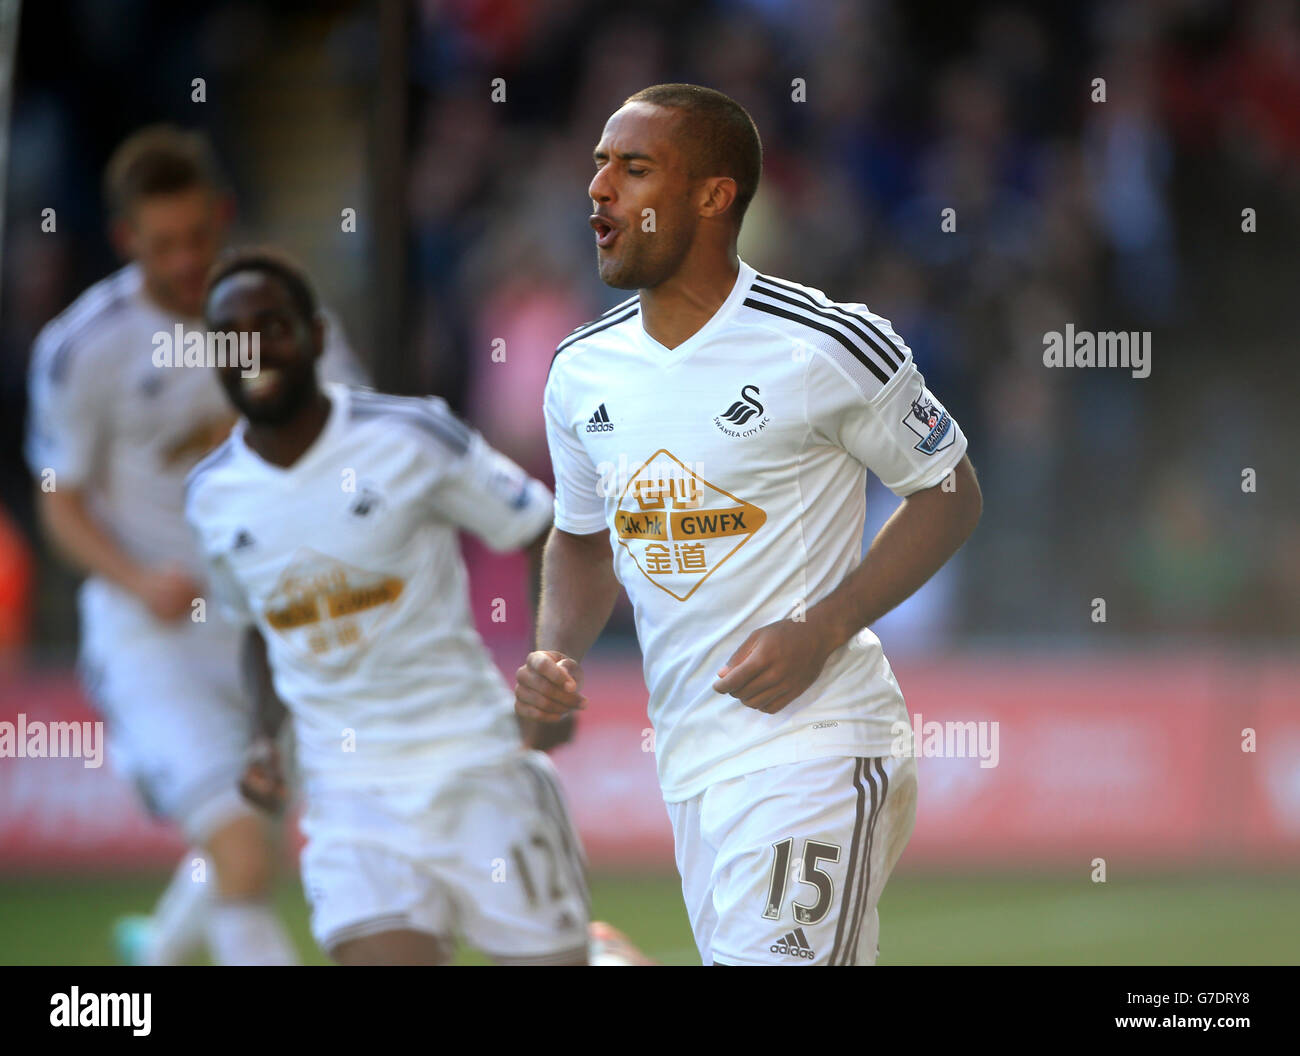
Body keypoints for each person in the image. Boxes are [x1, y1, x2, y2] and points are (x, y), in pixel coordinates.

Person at [516, 84, 983, 966]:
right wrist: (556, 651)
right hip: (694, 760)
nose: (600, 187)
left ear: (713, 195)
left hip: (819, 740)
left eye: (634, 166)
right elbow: (582, 538)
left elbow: (949, 491)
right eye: (599, 165)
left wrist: (825, 625)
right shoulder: (580, 370)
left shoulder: (825, 343)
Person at [187, 247, 600, 965]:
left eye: (271, 326)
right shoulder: (213, 494)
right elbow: (258, 625)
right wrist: (262, 738)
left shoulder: (410, 436)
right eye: (232, 334)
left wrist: (550, 669)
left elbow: (548, 530)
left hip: (477, 769)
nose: (252, 349)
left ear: (315, 337)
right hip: (350, 804)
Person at [25, 126, 363, 965]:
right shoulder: (83, 347)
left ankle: (157, 956)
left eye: (198, 238)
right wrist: (138, 580)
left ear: (224, 215)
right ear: (125, 240)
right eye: (162, 245)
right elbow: (57, 502)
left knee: (247, 838)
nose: (184, 261)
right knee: (247, 856)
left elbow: (357, 434)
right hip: (154, 633)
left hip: (266, 621)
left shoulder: (281, 312)